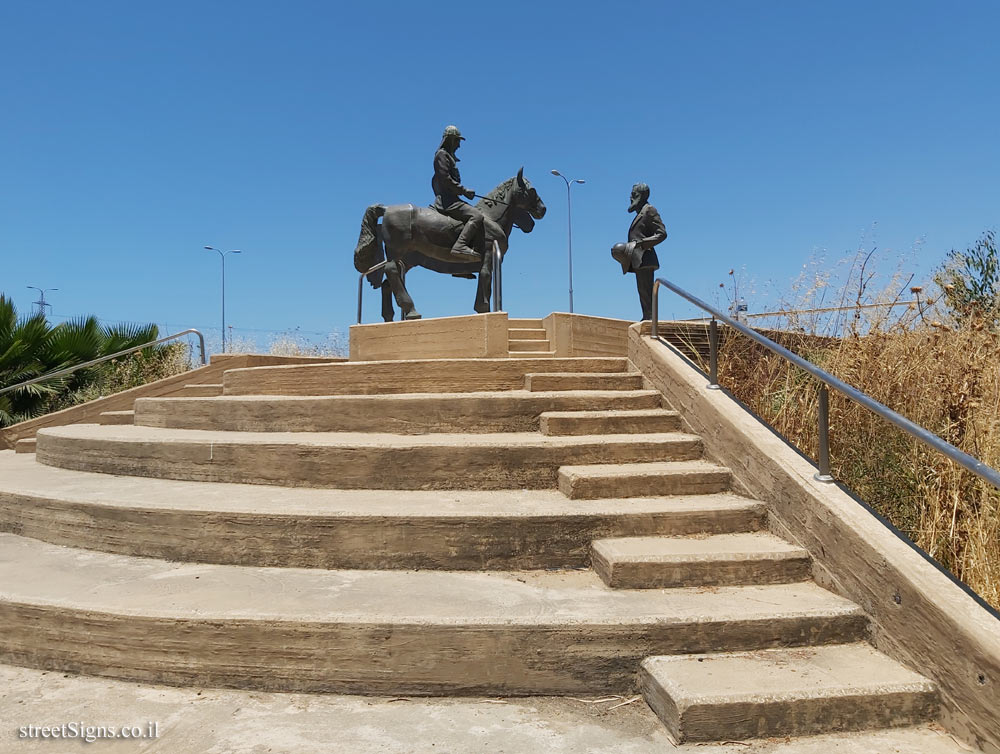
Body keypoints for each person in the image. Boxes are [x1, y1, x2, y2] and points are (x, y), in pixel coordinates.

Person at [611, 183, 667, 320]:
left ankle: (650, 318)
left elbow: (662, 233)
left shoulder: (649, 210)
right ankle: (647, 316)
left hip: (645, 258)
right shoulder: (640, 213)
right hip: (638, 260)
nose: (631, 198)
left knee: (646, 291)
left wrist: (642, 243)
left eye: (634, 195)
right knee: (642, 291)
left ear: (642, 196)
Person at [431, 125, 485, 260]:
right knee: (477, 216)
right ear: (450, 140)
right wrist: (464, 191)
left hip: (452, 199)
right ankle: (460, 245)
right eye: (457, 141)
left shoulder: (447, 156)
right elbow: (445, 180)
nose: (459, 145)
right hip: (447, 201)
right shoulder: (441, 155)